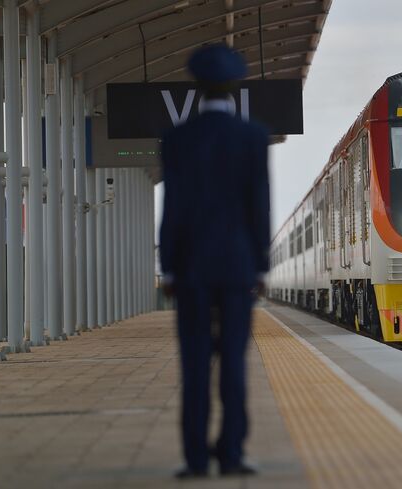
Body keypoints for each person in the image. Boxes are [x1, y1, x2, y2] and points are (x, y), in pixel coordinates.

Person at [159, 44, 270, 479]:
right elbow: (257, 205)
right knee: (235, 364)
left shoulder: (177, 139)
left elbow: (174, 208)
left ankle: (196, 459)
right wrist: (260, 266)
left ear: (197, 87)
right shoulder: (253, 136)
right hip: (238, 266)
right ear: (235, 85)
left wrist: (168, 267)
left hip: (190, 269)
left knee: (194, 364)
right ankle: (232, 454)